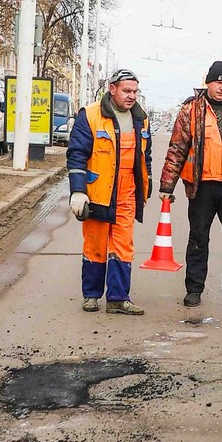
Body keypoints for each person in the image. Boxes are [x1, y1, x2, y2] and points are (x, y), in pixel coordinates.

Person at [159, 61, 222, 307]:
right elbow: (177, 148)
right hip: (202, 187)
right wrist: (167, 186)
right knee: (199, 239)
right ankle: (194, 289)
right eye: (218, 83)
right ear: (208, 83)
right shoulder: (191, 110)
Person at [66, 68, 152, 315]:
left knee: (123, 246)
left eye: (135, 91)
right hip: (98, 193)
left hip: (127, 193)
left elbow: (145, 157)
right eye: (127, 91)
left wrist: (146, 187)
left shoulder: (140, 119)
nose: (132, 96)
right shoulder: (91, 116)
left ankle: (118, 298)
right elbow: (77, 154)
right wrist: (78, 191)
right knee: (95, 244)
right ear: (112, 89)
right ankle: (91, 295)